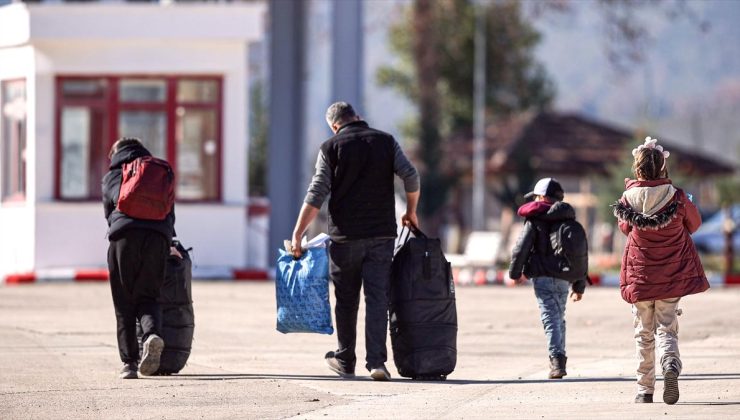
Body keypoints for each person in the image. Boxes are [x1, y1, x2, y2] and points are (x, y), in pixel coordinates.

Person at [290, 101, 420, 381]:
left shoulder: (330, 148)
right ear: (358, 117)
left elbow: (316, 193)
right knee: (377, 299)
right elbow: (411, 175)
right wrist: (411, 212)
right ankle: (377, 363)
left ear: (335, 126)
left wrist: (298, 233)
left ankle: (345, 360)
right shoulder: (386, 141)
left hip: (345, 238)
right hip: (382, 235)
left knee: (346, 301)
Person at [612, 137, 709, 405]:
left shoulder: (627, 198)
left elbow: (624, 228)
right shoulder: (677, 197)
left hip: (640, 276)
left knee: (643, 332)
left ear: (637, 168)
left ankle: (645, 390)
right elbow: (695, 224)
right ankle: (670, 363)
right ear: (662, 167)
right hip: (671, 275)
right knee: (667, 327)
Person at [102, 137, 177, 379]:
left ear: (116, 152)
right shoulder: (159, 170)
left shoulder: (114, 173)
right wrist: (170, 242)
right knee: (149, 295)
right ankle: (151, 334)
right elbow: (169, 211)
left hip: (124, 238)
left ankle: (129, 364)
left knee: (124, 301)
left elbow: (111, 210)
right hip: (158, 237)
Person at [509, 177, 587, 379]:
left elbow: (521, 248)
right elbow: (580, 254)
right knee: (558, 316)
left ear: (542, 196)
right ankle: (559, 358)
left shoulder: (535, 219)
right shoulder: (569, 219)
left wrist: (515, 273)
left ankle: (557, 360)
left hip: (543, 276)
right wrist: (579, 285)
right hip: (564, 277)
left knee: (550, 317)